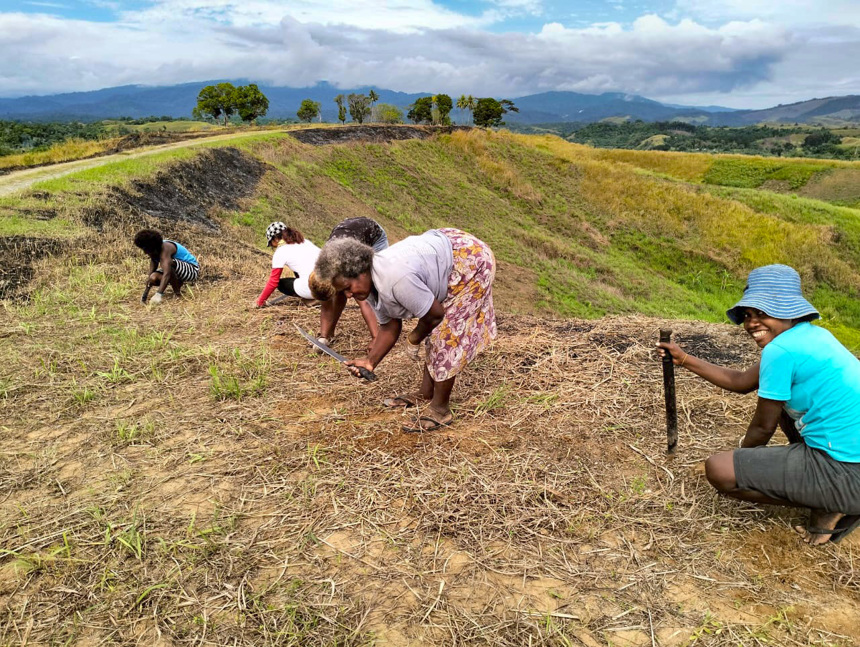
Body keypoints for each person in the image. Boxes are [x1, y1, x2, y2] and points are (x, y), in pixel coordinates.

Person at [657, 264, 860, 545]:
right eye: (748, 314)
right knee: (784, 409)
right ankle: (827, 491)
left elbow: (763, 428)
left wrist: (746, 464)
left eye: (763, 312)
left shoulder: (781, 350)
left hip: (848, 471)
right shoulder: (813, 336)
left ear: (791, 311)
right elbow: (741, 381)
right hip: (850, 457)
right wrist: (684, 359)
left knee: (719, 470)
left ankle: (830, 502)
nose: (752, 322)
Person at [314, 228, 497, 432]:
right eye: (343, 291)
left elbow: (435, 314)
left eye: (348, 287)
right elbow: (390, 326)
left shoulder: (395, 278)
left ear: (362, 270)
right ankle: (425, 393)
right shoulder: (371, 286)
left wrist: (414, 338)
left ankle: (440, 409)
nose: (348, 295)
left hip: (470, 259)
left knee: (445, 334)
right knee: (434, 331)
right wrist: (370, 361)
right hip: (444, 250)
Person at [310, 217, 389, 347]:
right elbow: (327, 306)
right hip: (348, 238)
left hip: (374, 236)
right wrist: (323, 338)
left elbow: (364, 300)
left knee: (370, 287)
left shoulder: (348, 267)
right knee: (340, 293)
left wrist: (375, 339)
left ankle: (381, 332)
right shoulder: (323, 271)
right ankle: (328, 335)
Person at [254, 222, 320, 308]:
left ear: (276, 239)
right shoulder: (305, 242)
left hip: (314, 288)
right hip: (331, 285)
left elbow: (273, 282)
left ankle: (313, 299)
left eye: (271, 243)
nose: (272, 246)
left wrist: (260, 302)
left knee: (281, 284)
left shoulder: (280, 252)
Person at [134, 229, 199, 305]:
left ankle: (177, 293)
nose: (145, 252)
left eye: (145, 249)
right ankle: (178, 283)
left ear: (151, 246)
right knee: (153, 277)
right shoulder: (154, 251)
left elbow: (167, 273)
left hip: (191, 270)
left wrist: (159, 294)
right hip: (177, 271)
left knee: (169, 263)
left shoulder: (166, 248)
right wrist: (145, 295)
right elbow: (152, 272)